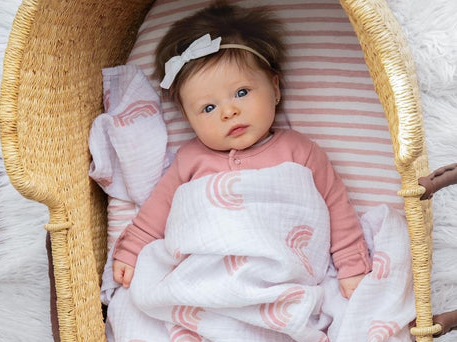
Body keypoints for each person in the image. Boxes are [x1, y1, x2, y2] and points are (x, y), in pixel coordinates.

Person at [112, 0, 372, 298]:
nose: (229, 112)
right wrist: (131, 250)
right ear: (188, 118)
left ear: (275, 88)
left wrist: (352, 264)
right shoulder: (191, 159)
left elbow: (337, 208)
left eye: (241, 92)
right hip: (207, 282)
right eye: (208, 108)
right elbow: (156, 213)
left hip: (284, 278)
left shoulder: (300, 151)